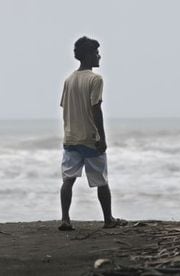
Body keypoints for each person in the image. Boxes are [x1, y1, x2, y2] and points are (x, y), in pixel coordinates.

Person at [58, 36, 126, 231]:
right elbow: (96, 108)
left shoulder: (69, 80)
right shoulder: (95, 79)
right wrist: (102, 137)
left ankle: (65, 219)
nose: (99, 56)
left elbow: (65, 107)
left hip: (71, 137)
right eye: (96, 52)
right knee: (101, 181)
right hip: (90, 138)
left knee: (68, 179)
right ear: (88, 55)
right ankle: (108, 219)